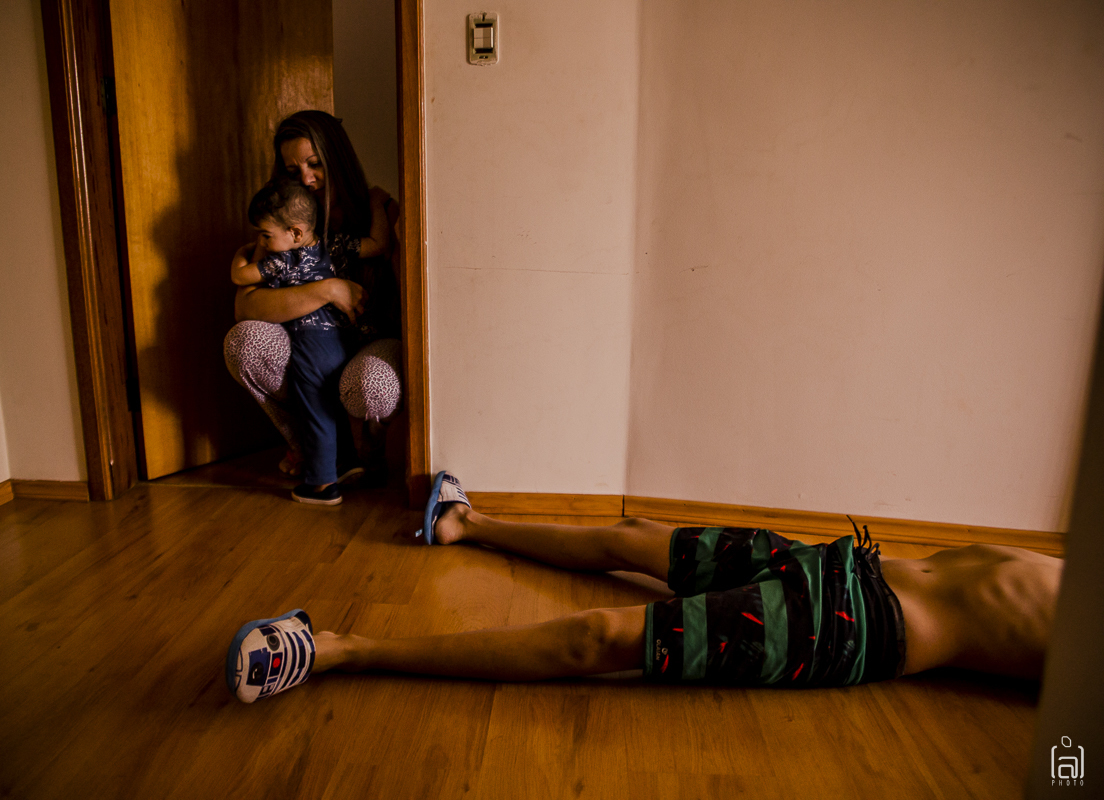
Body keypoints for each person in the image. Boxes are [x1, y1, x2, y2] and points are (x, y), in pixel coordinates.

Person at [224, 473, 1064, 703]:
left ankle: (340, 651)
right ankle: (463, 524)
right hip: (852, 564)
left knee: (601, 637)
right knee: (633, 537)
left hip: (853, 628)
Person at [224, 110, 403, 488]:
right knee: (245, 342)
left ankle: (367, 451)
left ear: (337, 158)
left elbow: (390, 264)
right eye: (293, 171)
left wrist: (376, 205)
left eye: (315, 164)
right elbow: (246, 306)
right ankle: (308, 445)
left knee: (372, 383)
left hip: (368, 343)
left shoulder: (378, 211)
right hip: (310, 340)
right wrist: (327, 289)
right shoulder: (283, 223)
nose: (306, 179)